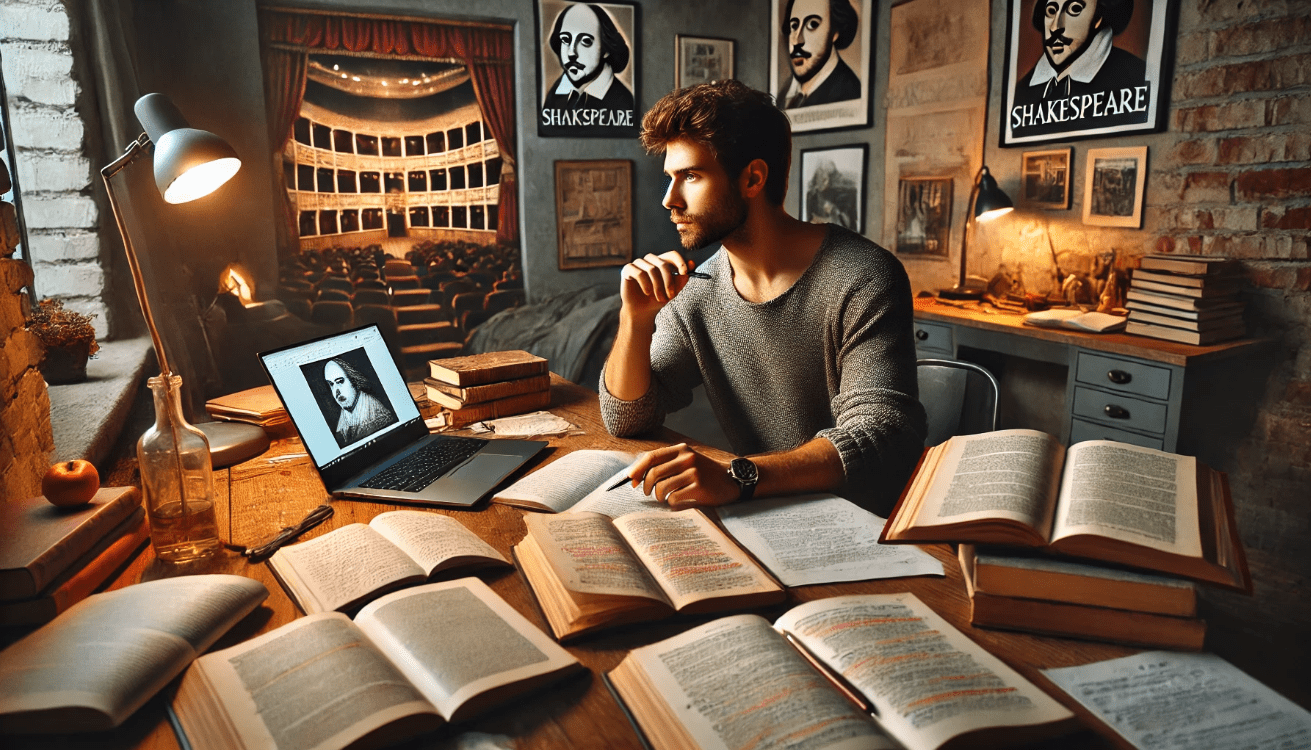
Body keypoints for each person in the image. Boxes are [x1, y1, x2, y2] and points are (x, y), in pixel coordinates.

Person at [599, 80, 925, 516]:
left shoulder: (862, 276)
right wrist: (635, 320)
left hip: (865, 524)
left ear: (752, 178)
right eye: (669, 179)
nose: (669, 200)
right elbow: (627, 417)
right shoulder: (698, 289)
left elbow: (882, 433)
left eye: (691, 176)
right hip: (764, 515)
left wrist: (737, 477)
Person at [1009, 0, 1149, 137]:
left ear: (1098, 18)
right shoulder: (1022, 91)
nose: (1055, 27)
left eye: (1074, 9)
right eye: (1051, 11)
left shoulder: (1137, 77)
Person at [540, 3, 635, 131]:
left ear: (606, 49)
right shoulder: (554, 96)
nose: (571, 53)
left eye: (585, 41)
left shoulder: (623, 101)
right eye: (565, 40)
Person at [778, 0, 862, 109]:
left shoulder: (849, 91)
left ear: (834, 32)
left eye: (812, 24)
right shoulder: (783, 93)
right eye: (794, 26)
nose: (797, 41)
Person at [323, 358, 396, 446]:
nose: (336, 391)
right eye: (331, 384)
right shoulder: (343, 420)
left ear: (353, 381)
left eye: (340, 382)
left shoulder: (378, 414)